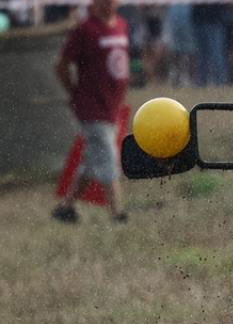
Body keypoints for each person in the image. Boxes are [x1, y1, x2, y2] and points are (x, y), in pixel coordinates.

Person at [51, 0, 130, 224]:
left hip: (111, 104)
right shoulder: (85, 30)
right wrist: (72, 92)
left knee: (93, 159)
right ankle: (117, 212)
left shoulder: (122, 25)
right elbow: (62, 64)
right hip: (91, 105)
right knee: (107, 156)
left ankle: (66, 207)